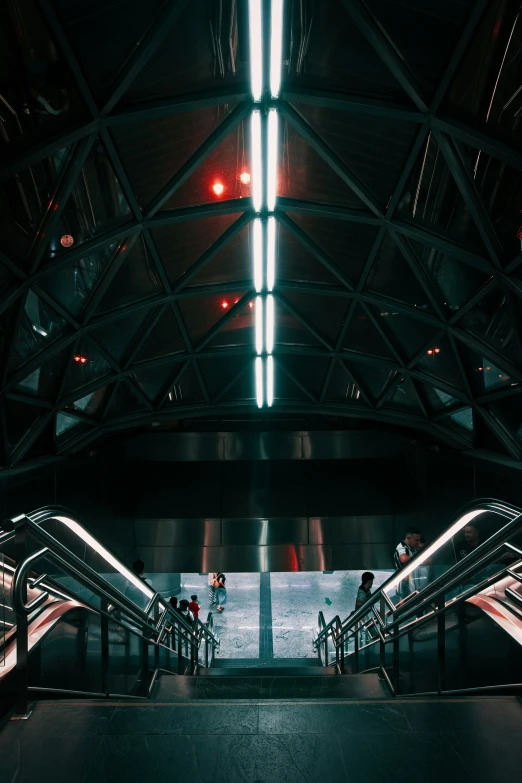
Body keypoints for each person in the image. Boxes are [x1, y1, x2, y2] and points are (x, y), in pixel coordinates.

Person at [394, 528, 422, 600]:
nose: (418, 542)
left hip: (411, 582)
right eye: (416, 540)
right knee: (406, 602)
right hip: (405, 581)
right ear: (408, 538)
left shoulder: (412, 548)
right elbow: (403, 558)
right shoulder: (402, 546)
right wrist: (420, 559)